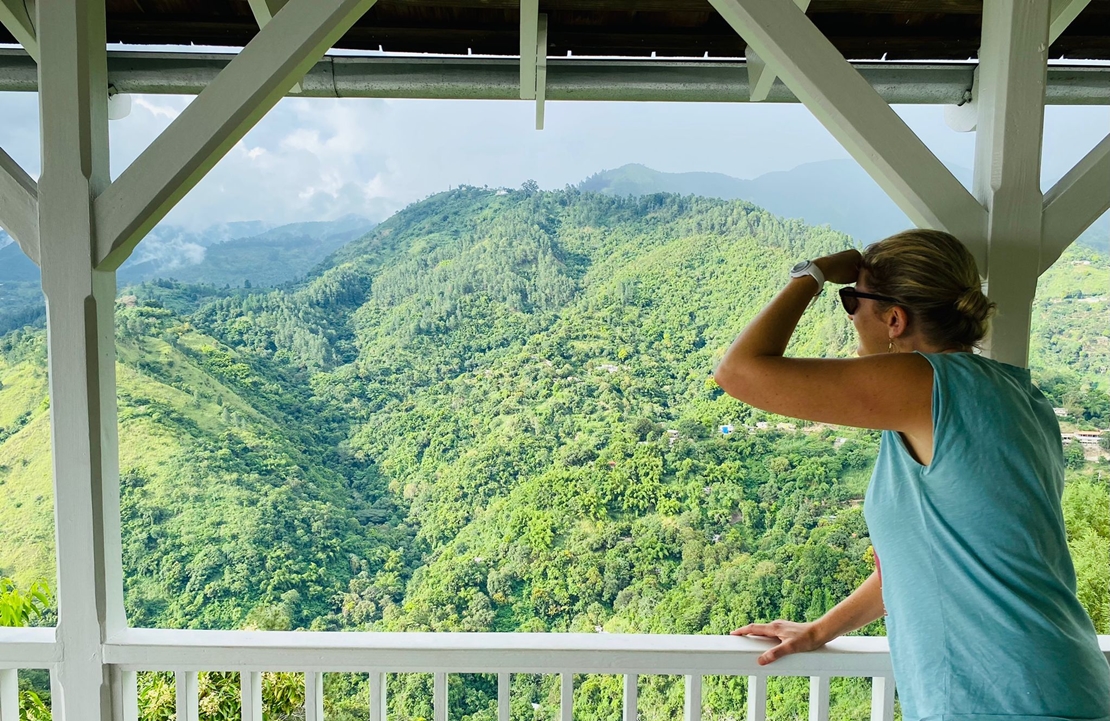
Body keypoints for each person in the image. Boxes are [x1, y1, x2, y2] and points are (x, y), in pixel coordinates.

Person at [714, 229, 1110, 721]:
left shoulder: (925, 384)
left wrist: (813, 274)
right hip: (1053, 684)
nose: (850, 318)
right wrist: (819, 630)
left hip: (1003, 697)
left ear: (895, 320)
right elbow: (926, 563)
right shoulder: (1015, 396)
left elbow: (738, 372)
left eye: (851, 303)